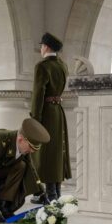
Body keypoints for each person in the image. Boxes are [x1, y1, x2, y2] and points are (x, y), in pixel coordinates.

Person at [29, 33, 71, 203]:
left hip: (46, 113)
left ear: (46, 47)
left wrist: (35, 119)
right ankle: (56, 192)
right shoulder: (62, 66)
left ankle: (50, 194)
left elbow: (38, 94)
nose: (41, 49)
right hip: (58, 112)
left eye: (41, 46)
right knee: (56, 153)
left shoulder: (42, 66)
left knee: (45, 153)